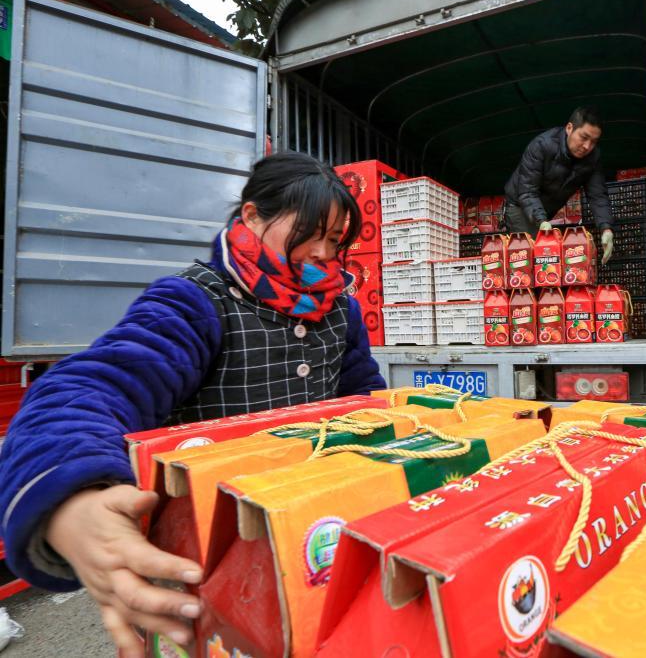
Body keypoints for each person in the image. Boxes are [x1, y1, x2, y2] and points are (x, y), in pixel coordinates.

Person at [0, 152, 386, 656]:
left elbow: (365, 400)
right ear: (252, 216)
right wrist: (73, 492)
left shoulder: (340, 310)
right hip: (207, 549)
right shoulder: (195, 301)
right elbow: (93, 387)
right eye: (309, 232)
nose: (322, 252)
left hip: (313, 527)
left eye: (334, 240)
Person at [503, 106, 614, 263]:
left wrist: (606, 228)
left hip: (545, 212)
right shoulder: (541, 146)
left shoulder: (592, 158)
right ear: (569, 128)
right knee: (531, 261)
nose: (587, 146)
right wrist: (541, 221)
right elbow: (527, 191)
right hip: (520, 206)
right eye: (584, 137)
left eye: (593, 142)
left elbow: (597, 195)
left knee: (548, 261)